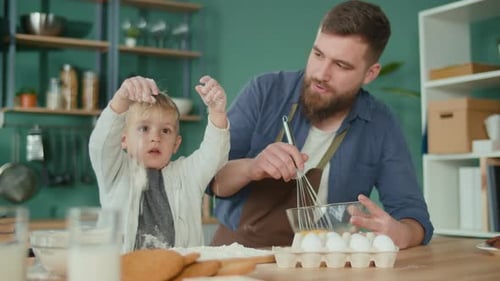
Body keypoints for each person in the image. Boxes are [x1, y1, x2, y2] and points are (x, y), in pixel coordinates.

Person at [208, 0, 433, 250]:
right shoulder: (265, 91)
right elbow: (213, 180)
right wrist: (252, 167)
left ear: (370, 74)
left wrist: (402, 233)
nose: (321, 73)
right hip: (240, 253)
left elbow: (414, 216)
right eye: (318, 54)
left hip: (324, 261)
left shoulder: (380, 123)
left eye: (341, 65)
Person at [89, 75, 229, 253]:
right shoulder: (116, 171)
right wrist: (121, 100)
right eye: (144, 128)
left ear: (176, 144)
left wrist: (217, 113)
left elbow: (214, 155)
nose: (155, 137)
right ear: (123, 139)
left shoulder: (187, 175)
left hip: (180, 274)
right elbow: (100, 144)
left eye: (165, 130)